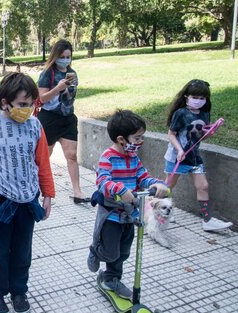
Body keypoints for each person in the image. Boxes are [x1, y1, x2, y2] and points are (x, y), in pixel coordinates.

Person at [0, 72, 55, 313]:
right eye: (22, 105)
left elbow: (43, 162)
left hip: (27, 202)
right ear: (5, 103)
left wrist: (48, 194)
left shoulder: (35, 125)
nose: (28, 109)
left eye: (32, 104)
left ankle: (19, 291)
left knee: (22, 251)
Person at [87, 109, 168, 299]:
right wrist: (120, 190)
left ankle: (111, 279)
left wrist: (158, 184)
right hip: (111, 215)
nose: (141, 141)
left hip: (130, 215)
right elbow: (103, 182)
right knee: (110, 252)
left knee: (123, 252)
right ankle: (95, 251)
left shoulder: (133, 158)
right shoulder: (108, 157)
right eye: (138, 138)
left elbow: (143, 177)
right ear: (122, 139)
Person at [164, 79, 233, 232]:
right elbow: (171, 134)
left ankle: (207, 220)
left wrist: (209, 133)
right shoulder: (180, 113)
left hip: (194, 157)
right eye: (195, 97)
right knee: (168, 186)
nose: (198, 101)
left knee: (203, 186)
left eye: (202, 98)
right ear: (186, 97)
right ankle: (160, 212)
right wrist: (179, 150)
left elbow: (200, 137)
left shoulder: (204, 113)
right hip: (177, 157)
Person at [37, 39, 89, 205]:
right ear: (55, 56)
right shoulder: (47, 74)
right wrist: (58, 88)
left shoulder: (72, 73)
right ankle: (40, 189)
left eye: (68, 56)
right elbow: (41, 99)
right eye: (62, 56)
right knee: (44, 157)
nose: (66, 60)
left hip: (68, 119)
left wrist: (67, 89)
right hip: (49, 119)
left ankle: (77, 191)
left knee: (72, 156)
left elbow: (70, 97)